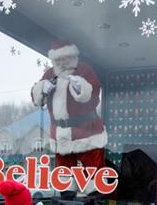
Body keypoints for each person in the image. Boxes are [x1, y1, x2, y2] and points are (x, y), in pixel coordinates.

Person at [31, 40, 107, 170]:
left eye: (64, 58)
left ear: (72, 57)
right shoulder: (50, 73)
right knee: (64, 177)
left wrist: (81, 88)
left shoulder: (84, 70)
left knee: (93, 176)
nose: (61, 62)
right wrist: (42, 89)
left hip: (87, 133)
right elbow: (36, 99)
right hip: (60, 136)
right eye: (57, 59)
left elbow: (94, 95)